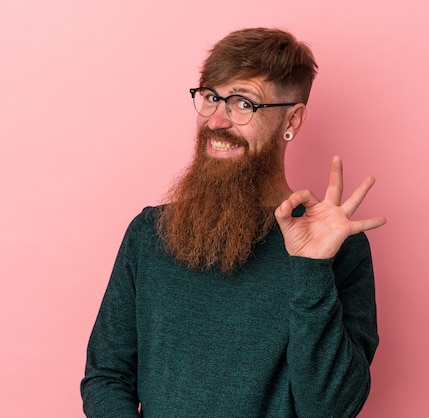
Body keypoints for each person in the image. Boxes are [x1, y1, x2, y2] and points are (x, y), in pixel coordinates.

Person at [81, 27, 386, 417]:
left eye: (243, 104)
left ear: (292, 119)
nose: (217, 121)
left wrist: (311, 269)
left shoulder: (336, 247)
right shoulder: (148, 235)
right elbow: (106, 377)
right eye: (210, 97)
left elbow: (330, 408)